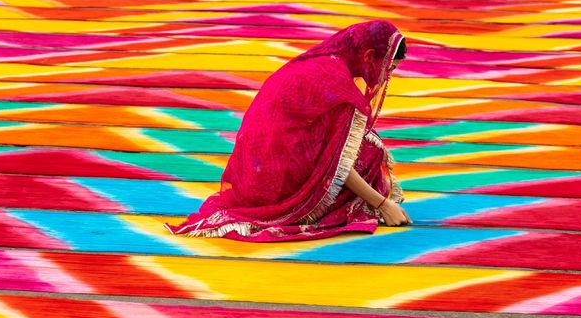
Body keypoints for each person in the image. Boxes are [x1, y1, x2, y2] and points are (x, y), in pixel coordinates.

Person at [166, 20, 411, 243]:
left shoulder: (324, 63)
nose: (387, 77)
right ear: (369, 57)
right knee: (369, 156)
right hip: (278, 185)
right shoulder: (335, 83)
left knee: (365, 143)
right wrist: (382, 204)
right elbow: (336, 165)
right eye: (388, 68)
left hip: (256, 175)